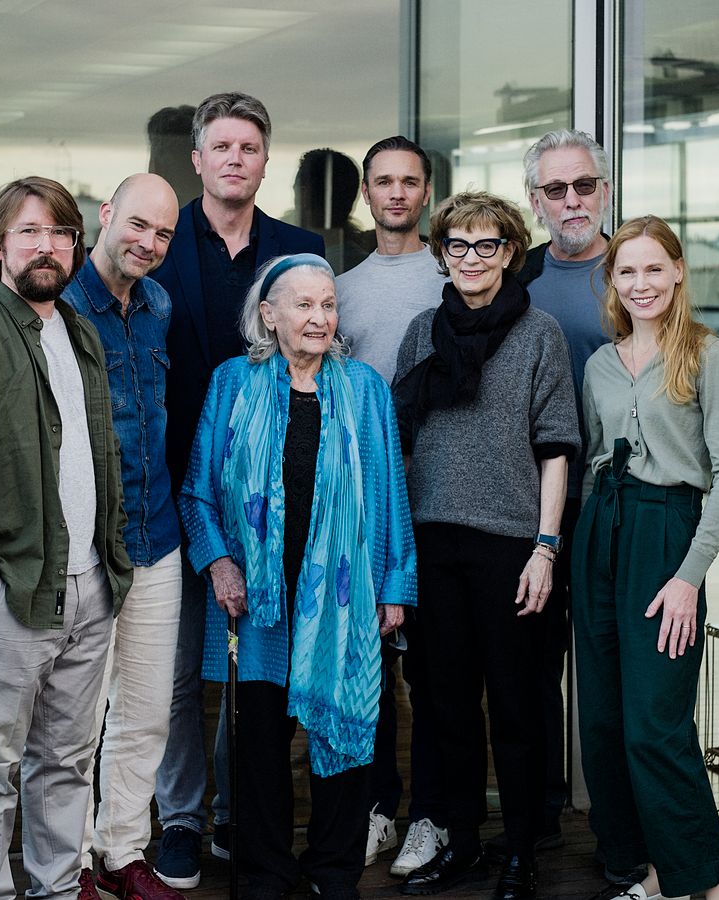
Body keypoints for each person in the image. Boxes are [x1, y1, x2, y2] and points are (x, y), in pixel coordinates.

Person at [0, 176, 132, 900]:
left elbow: (102, 454)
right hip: (9, 590)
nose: (48, 247)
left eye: (62, 233)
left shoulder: (80, 333)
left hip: (88, 586)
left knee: (66, 763)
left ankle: (56, 887)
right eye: (31, 232)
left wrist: (113, 561)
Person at [182, 253, 416, 899]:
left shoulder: (364, 387)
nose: (319, 317)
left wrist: (396, 585)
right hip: (258, 600)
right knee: (259, 741)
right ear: (268, 314)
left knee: (347, 729)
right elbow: (197, 492)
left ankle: (335, 866)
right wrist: (220, 564)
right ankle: (265, 868)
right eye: (304, 305)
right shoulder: (232, 382)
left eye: (328, 305)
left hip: (343, 599)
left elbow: (391, 493)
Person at [151, 91, 324, 889]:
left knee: (252, 667)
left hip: (273, 494)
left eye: (249, 148)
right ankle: (180, 817)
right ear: (197, 159)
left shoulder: (298, 247)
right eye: (220, 146)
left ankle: (234, 816)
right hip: (170, 486)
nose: (234, 159)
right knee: (180, 669)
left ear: (264, 160)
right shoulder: (163, 240)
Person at [393, 191, 579, 900]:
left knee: (516, 707)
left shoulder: (540, 335)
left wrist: (545, 547)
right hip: (432, 542)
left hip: (510, 547)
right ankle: (463, 842)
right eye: (459, 246)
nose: (472, 259)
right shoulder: (420, 332)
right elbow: (400, 438)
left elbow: (556, 448)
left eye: (488, 246)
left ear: (511, 253)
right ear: (442, 253)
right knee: (445, 705)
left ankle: (522, 852)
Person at [572, 215, 719, 900]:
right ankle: (642, 869)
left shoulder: (706, 353)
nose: (641, 283)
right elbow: (592, 461)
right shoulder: (597, 364)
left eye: (654, 268)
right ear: (611, 281)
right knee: (604, 722)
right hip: (600, 531)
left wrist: (687, 578)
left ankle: (713, 885)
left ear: (677, 272)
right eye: (627, 271)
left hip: (667, 534)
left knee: (656, 722)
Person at [63, 174, 185, 900]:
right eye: (136, 224)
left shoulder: (160, 305)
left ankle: (123, 852)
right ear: (105, 216)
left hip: (158, 534)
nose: (147, 242)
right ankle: (70, 861)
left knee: (144, 712)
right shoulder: (63, 307)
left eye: (163, 234)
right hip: (89, 542)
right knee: (77, 717)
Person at [336, 135, 449, 876]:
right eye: (384, 181)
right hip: (364, 506)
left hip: (441, 498)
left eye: (410, 181)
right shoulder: (340, 288)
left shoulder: (457, 275)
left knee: (434, 674)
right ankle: (378, 807)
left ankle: (431, 819)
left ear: (427, 191)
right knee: (368, 667)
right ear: (367, 194)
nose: (398, 193)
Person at [512, 128, 613, 849]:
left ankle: (619, 825)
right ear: (535, 199)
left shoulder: (638, 268)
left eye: (583, 185)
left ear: (604, 189)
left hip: (617, 502)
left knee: (612, 667)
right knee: (535, 667)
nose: (571, 200)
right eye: (556, 188)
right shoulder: (517, 280)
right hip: (540, 504)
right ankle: (543, 817)